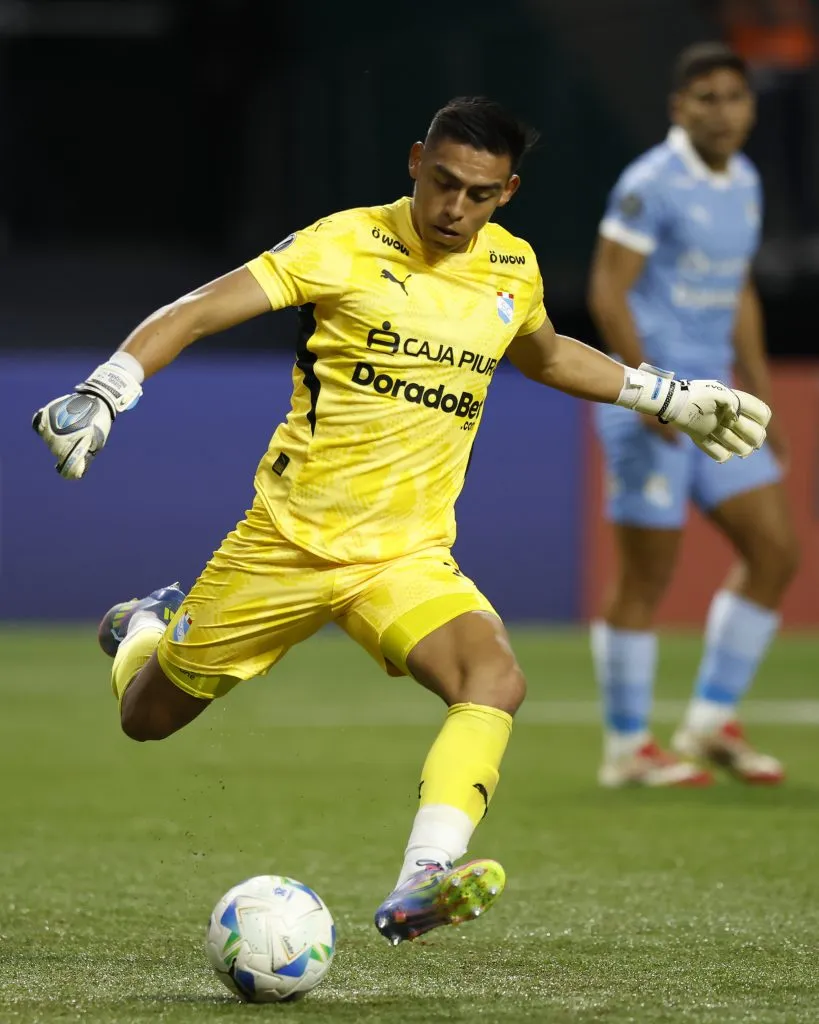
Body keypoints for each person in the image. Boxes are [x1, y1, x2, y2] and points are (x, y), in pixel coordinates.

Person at [34, 97, 768, 949]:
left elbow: (547, 354)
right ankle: (141, 628)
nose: (455, 208)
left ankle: (422, 878)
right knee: (148, 718)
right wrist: (109, 387)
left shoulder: (511, 267)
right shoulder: (342, 242)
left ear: (507, 193)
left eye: (479, 194)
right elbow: (199, 308)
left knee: (493, 679)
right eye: (442, 182)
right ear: (416, 161)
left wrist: (666, 395)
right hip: (288, 544)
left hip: (405, 555)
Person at [588, 45, 798, 788]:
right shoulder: (650, 183)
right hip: (657, 402)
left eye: (733, 97)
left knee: (775, 551)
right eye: (705, 98)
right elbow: (608, 290)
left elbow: (738, 291)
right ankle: (626, 748)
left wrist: (761, 390)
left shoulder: (744, 181)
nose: (722, 112)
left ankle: (710, 720)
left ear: (750, 107)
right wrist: (648, 387)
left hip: (721, 405)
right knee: (646, 578)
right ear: (679, 107)